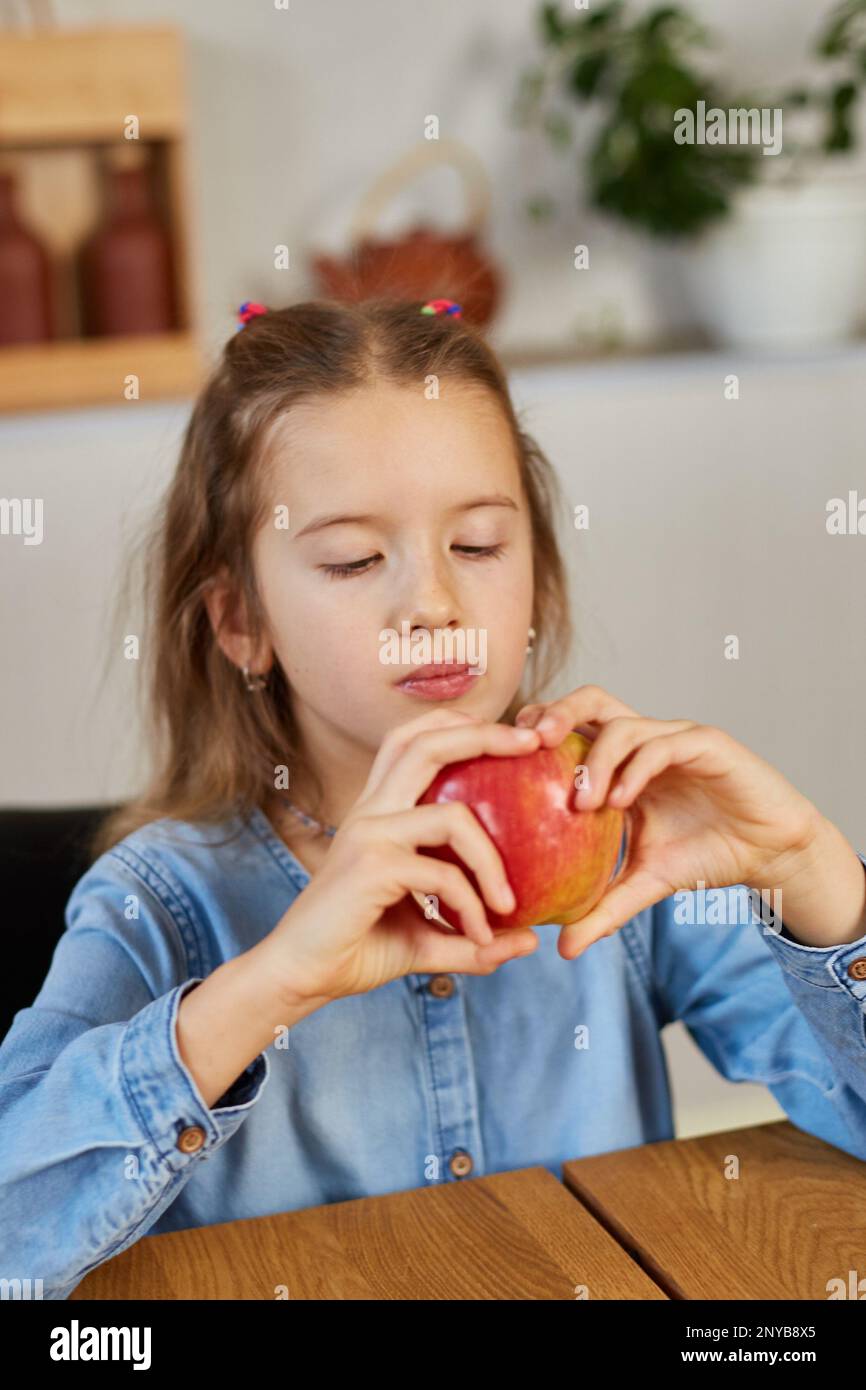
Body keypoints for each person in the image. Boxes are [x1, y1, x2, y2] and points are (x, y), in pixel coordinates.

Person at [2, 297, 865, 1301]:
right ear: (242, 621)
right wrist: (274, 981)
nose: (432, 606)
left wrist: (813, 871)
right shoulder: (156, 903)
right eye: (354, 559)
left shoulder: (625, 853)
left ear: (536, 580)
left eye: (480, 545)